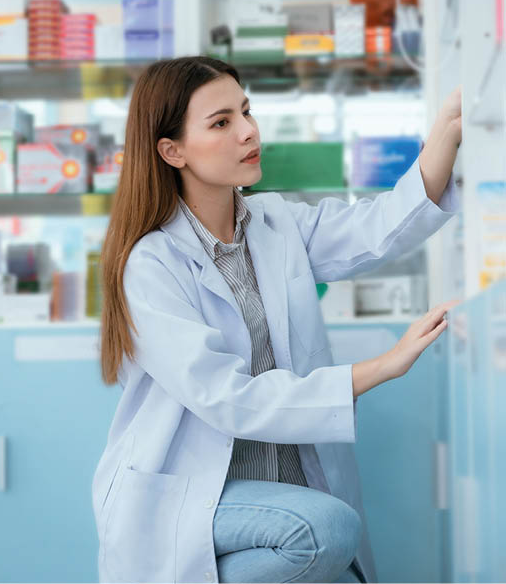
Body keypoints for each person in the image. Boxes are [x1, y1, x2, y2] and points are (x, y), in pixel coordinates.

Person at [92, 56, 461, 584]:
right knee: (327, 530)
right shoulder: (152, 265)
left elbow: (376, 228)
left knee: (337, 556)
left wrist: (447, 133)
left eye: (246, 111)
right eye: (221, 123)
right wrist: (381, 367)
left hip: (285, 494)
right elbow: (227, 398)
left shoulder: (275, 224)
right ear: (171, 151)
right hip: (204, 498)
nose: (248, 131)